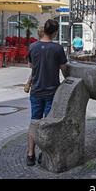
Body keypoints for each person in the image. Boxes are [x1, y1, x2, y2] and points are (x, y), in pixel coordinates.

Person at [26, 19, 68, 166]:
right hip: (51, 92)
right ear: (55, 32)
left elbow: (31, 65)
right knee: (47, 124)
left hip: (36, 91)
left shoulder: (32, 47)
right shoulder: (57, 49)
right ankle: (44, 153)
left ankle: (30, 154)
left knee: (34, 122)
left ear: (44, 29)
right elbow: (64, 69)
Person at [24, 26, 44, 94]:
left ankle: (28, 84)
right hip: (49, 87)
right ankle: (28, 83)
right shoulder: (55, 47)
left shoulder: (32, 46)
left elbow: (30, 65)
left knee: (34, 71)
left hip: (36, 87)